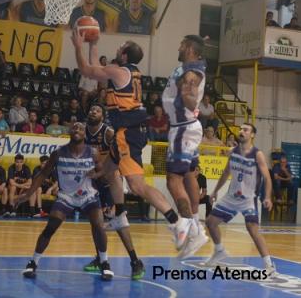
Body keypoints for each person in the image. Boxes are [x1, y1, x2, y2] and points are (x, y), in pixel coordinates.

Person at [71, 29, 192, 252]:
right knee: (109, 171)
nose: (118, 48)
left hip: (128, 134)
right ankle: (119, 214)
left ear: (125, 55)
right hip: (129, 130)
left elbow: (88, 70)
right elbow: (97, 69)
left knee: (137, 185)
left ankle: (177, 223)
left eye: (121, 47)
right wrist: (93, 44)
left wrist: (78, 45)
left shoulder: (119, 72)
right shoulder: (129, 72)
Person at [19, 122, 115, 281]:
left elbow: (102, 174)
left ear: (85, 134)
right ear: (69, 131)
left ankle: (104, 263)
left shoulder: (93, 152)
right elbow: (42, 175)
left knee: (99, 226)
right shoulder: (58, 153)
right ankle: (33, 262)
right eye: (74, 127)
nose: (77, 130)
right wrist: (27, 194)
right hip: (66, 196)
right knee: (50, 227)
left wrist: (99, 174)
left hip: (88, 196)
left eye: (81, 128)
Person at [81, 104, 145, 279]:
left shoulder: (108, 133)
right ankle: (100, 259)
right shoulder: (82, 132)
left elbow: (118, 159)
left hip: (110, 181)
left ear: (102, 117)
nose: (93, 111)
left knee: (120, 223)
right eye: (91, 109)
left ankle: (135, 261)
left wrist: (107, 173)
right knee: (95, 222)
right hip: (94, 183)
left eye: (97, 110)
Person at [205, 123, 276, 276]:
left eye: (246, 130)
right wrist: (215, 191)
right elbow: (226, 173)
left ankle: (269, 265)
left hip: (248, 198)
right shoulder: (233, 152)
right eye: (241, 129)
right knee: (210, 222)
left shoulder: (257, 154)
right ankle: (219, 251)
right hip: (231, 197)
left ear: (252, 135)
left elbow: (267, 178)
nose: (241, 131)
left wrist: (267, 197)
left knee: (252, 229)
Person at [162, 34, 209, 259]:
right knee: (189, 175)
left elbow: (190, 99)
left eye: (182, 44)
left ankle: (186, 225)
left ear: (190, 48)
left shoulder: (192, 71)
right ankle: (196, 228)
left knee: (173, 180)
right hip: (185, 126)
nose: (179, 47)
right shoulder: (188, 68)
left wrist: (187, 92)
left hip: (183, 128)